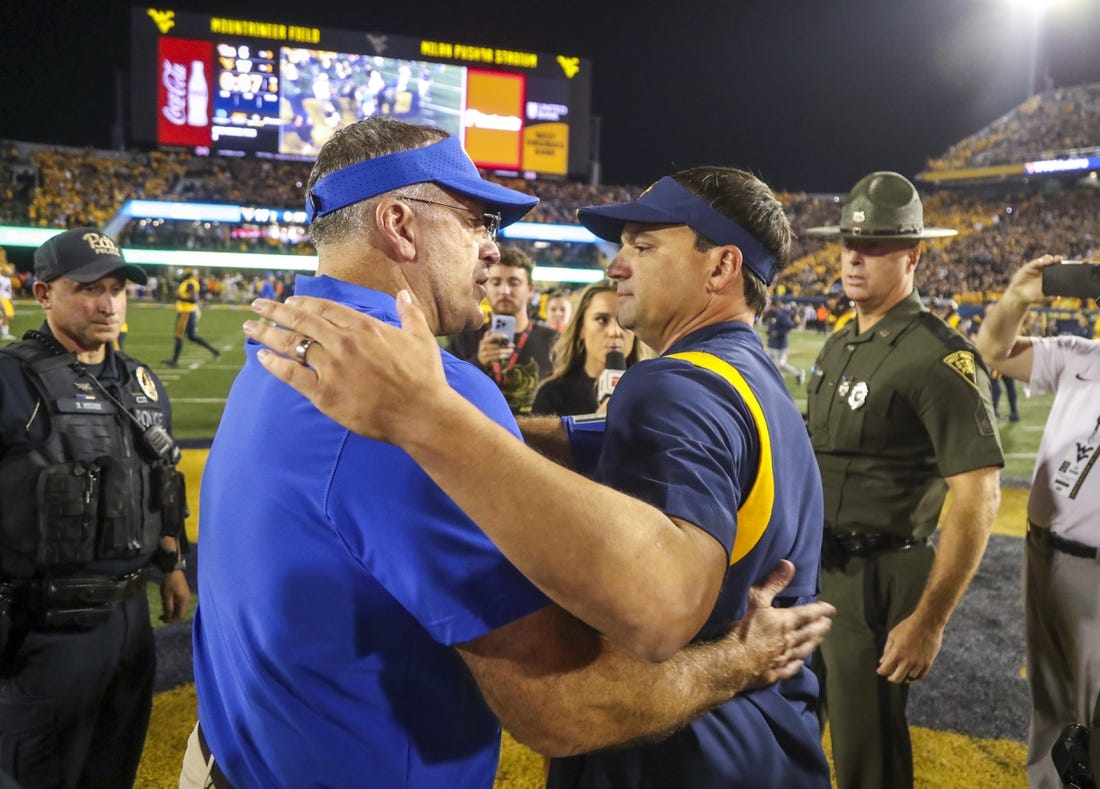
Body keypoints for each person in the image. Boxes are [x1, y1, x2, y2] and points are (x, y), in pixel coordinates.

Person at [188, 118, 834, 789]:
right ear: (401, 224)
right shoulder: (427, 404)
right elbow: (563, 704)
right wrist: (738, 660)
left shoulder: (282, 354)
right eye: (476, 220)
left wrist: (495, 426)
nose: (493, 248)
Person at [803, 171, 1005, 789]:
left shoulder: (939, 355)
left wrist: (930, 619)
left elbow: (979, 495)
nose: (855, 257)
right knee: (793, 731)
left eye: (878, 246)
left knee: (869, 756)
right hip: (814, 569)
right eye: (849, 244)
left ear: (912, 255)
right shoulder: (840, 343)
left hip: (879, 577)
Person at [0, 227, 191, 788]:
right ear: (42, 294)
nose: (107, 303)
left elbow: (162, 485)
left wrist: (172, 567)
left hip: (130, 623)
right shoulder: (10, 379)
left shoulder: (141, 383)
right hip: (43, 629)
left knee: (113, 767)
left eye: (116, 287)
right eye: (87, 288)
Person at [974, 254, 1100, 789]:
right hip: (1043, 553)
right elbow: (989, 354)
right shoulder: (1080, 354)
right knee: (1049, 708)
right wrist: (1017, 298)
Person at [447, 246, 558, 414]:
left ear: (530, 290)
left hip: (534, 437)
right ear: (486, 287)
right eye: (496, 282)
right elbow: (445, 387)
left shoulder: (554, 341)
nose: (504, 291)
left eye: (514, 283)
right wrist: (478, 361)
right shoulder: (465, 337)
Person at [531, 279, 647, 416]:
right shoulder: (552, 394)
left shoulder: (650, 392)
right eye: (602, 320)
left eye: (624, 320)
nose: (615, 332)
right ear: (581, 328)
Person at [163, 267, 220, 367]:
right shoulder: (191, 282)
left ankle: (174, 361)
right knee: (191, 337)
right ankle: (213, 350)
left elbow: (192, 299)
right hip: (188, 312)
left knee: (179, 337)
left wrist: (179, 297)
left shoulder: (189, 283)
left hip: (186, 313)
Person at [761, 300, 805, 386]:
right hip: (772, 344)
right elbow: (773, 327)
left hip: (781, 345)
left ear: (773, 307)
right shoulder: (771, 315)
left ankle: (798, 374)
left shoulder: (780, 315)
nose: (766, 309)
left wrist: (778, 333)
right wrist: (770, 332)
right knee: (769, 364)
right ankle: (773, 382)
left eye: (768, 307)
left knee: (781, 365)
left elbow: (790, 325)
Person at [0, 260, 14, 341]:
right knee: (8, 316)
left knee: (8, 316)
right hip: (2, 298)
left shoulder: (7, 278)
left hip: (6, 299)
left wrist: (11, 300)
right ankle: (5, 334)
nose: (10, 272)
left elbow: (9, 291)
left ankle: (5, 333)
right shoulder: (1, 278)